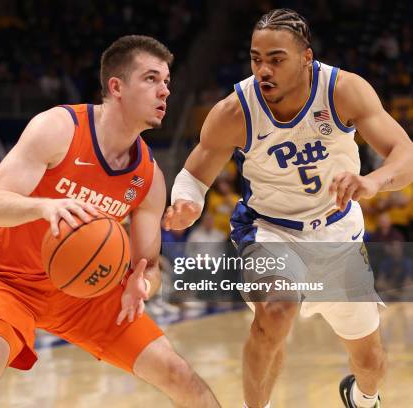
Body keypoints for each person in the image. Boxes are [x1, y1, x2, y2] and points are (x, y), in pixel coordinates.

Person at [0, 35, 220, 407]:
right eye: (151, 79)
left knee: (180, 375)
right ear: (116, 86)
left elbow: (146, 265)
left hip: (89, 294)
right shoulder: (59, 128)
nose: (164, 91)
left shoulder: (149, 177)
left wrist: (142, 285)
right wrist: (44, 207)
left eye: (166, 81)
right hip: (7, 281)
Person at [163, 9, 413, 408]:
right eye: (255, 58)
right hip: (269, 229)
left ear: (306, 59)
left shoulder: (343, 91)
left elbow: (405, 154)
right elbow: (194, 173)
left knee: (371, 363)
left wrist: (372, 182)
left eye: (275, 59)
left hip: (337, 234)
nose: (263, 69)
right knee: (276, 312)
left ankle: (363, 397)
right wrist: (186, 201)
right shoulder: (235, 110)